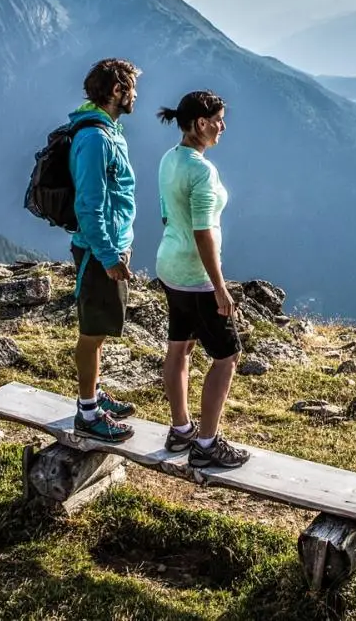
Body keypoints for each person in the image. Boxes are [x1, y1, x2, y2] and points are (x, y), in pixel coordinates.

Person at [155, 89, 249, 469]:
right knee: (227, 356)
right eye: (218, 120)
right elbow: (203, 232)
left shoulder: (169, 159)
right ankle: (207, 443)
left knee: (180, 348)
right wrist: (220, 287)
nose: (223, 126)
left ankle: (181, 430)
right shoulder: (202, 171)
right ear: (200, 124)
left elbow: (167, 214)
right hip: (196, 278)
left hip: (169, 267)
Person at [68, 58, 141, 443]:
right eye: (131, 87)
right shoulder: (95, 138)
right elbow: (89, 205)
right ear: (117, 90)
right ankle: (88, 412)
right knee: (92, 332)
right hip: (98, 252)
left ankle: (93, 394)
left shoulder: (109, 131)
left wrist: (121, 245)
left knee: (99, 329)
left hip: (110, 246)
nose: (135, 95)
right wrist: (110, 256)